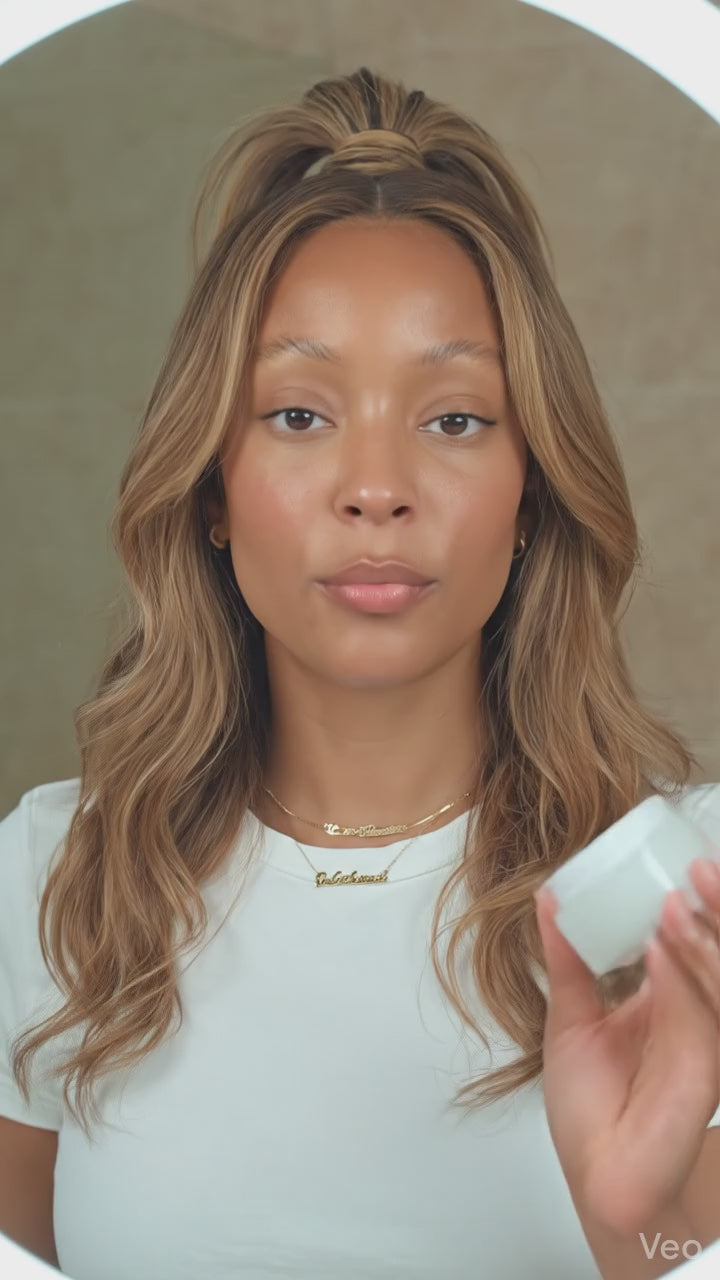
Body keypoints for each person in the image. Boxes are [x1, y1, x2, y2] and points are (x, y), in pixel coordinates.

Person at [1, 66, 718, 1280]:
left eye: (454, 418)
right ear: (212, 487)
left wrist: (641, 1225)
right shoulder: (52, 880)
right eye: (298, 414)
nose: (376, 487)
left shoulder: (690, 894)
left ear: (532, 491)